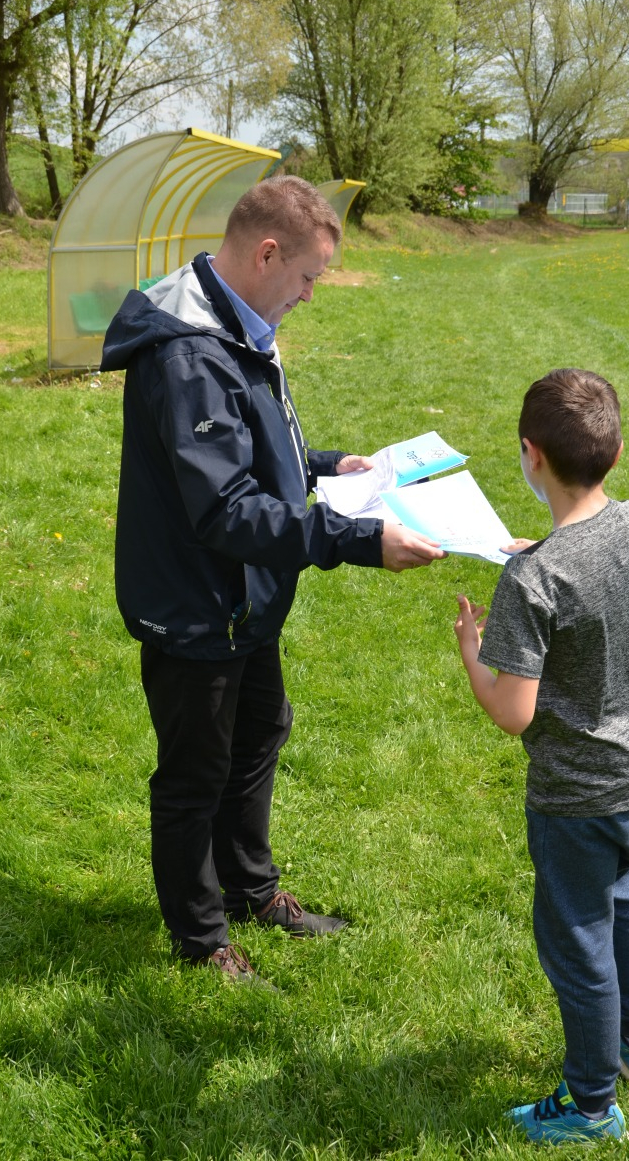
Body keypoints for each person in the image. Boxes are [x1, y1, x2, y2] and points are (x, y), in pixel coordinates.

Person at [101, 175, 443, 983]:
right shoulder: (190, 354)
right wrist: (359, 540)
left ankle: (252, 892)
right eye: (308, 276)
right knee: (195, 775)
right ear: (265, 254)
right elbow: (225, 510)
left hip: (243, 597)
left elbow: (249, 449)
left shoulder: (237, 320)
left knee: (259, 734)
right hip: (197, 604)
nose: (311, 294)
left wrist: (325, 465)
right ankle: (200, 940)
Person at [453, 368, 629, 1146]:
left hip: (577, 796)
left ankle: (590, 1106)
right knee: (626, 898)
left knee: (579, 941)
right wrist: (550, 554)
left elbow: (513, 713)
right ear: (615, 453)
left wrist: (473, 653)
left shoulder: (533, 579)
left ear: (531, 454)